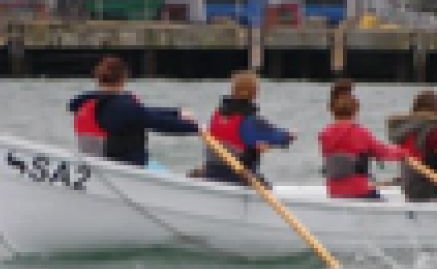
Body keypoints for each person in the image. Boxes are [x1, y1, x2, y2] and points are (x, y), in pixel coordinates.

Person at [68, 55, 198, 167]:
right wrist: (195, 128)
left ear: (98, 78)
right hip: (123, 167)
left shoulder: (85, 101)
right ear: (123, 79)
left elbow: (145, 112)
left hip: (94, 163)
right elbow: (157, 122)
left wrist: (176, 113)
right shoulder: (123, 107)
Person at [203, 70, 294, 186]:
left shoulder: (216, 115)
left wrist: (260, 146)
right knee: (267, 185)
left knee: (254, 147)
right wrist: (290, 136)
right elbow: (277, 136)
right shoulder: (250, 120)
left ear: (232, 90)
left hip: (212, 172)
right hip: (238, 176)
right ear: (255, 93)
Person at [319, 92, 407, 199]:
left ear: (333, 112)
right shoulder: (359, 132)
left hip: (334, 191)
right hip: (359, 190)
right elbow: (383, 152)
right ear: (355, 111)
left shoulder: (325, 134)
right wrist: (404, 152)